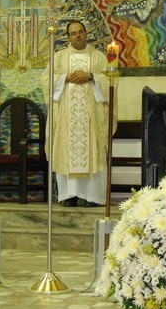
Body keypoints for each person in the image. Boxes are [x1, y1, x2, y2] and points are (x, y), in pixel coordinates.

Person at [41, 20, 116, 208]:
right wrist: (65, 77)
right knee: (67, 149)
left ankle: (92, 197)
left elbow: (111, 81)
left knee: (93, 151)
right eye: (73, 33)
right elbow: (45, 79)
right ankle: (70, 195)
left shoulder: (98, 57)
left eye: (81, 31)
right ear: (68, 37)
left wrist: (91, 76)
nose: (78, 35)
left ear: (86, 33)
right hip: (67, 116)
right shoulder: (59, 57)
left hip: (91, 115)